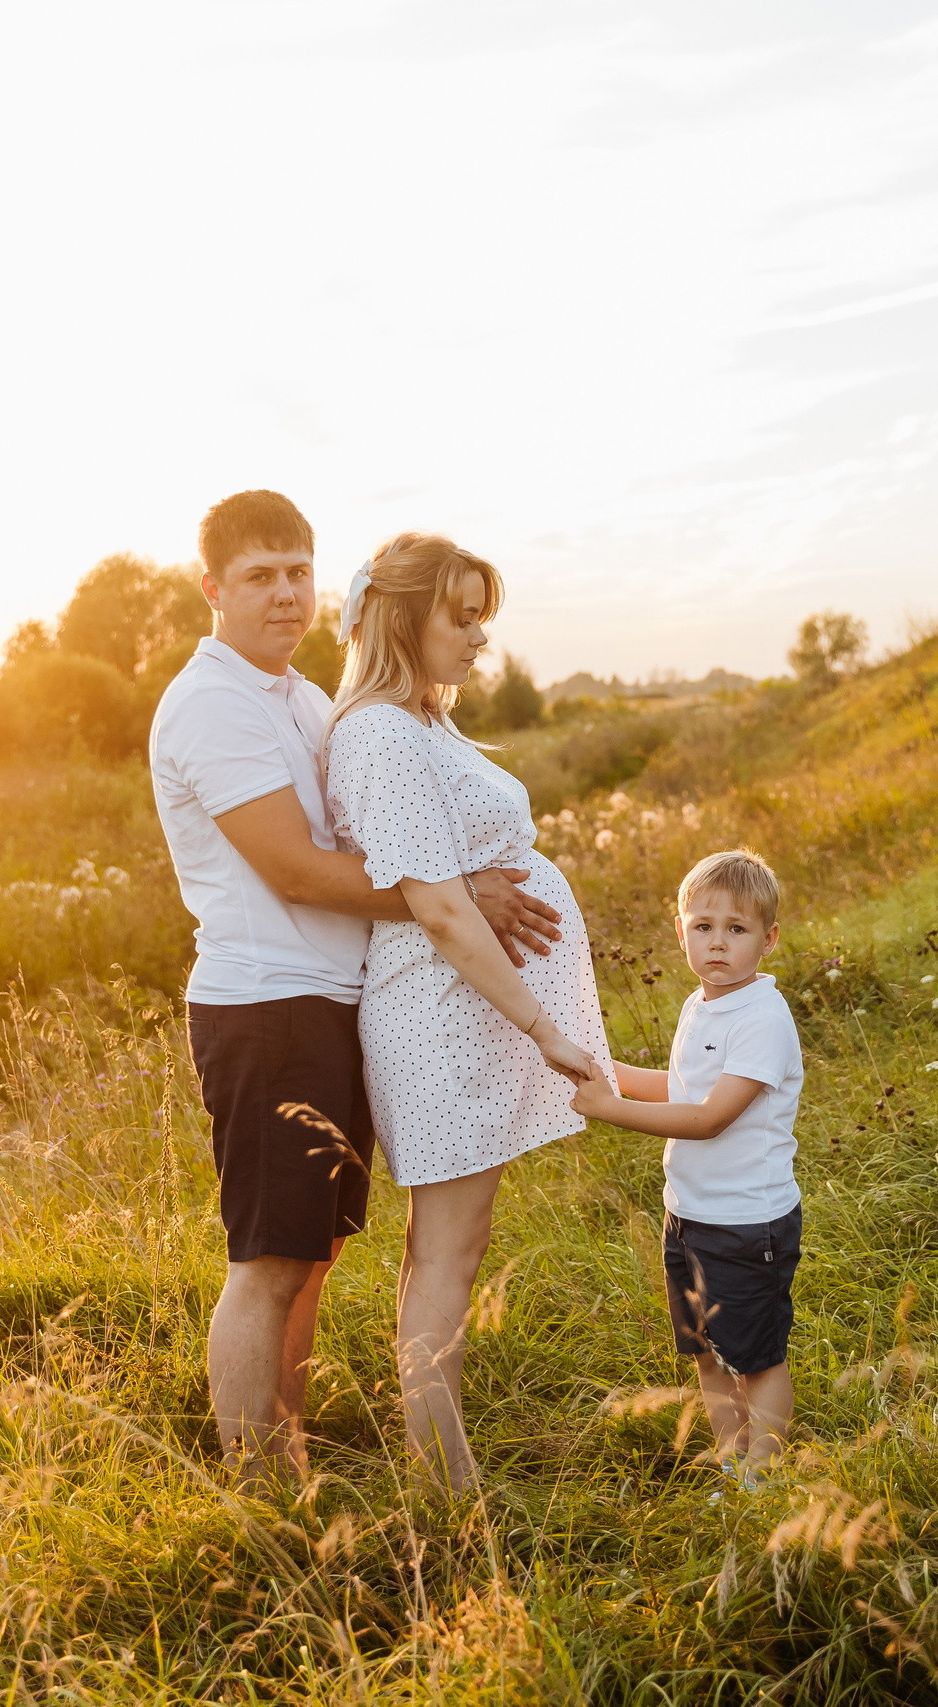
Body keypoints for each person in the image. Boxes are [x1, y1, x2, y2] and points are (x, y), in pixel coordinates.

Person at [147, 490, 564, 1486]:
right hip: (266, 1007)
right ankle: (258, 1494)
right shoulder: (210, 704)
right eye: (259, 577)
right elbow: (293, 869)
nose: (285, 594)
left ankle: (287, 1453)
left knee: (313, 1254)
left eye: (298, 570)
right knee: (267, 1262)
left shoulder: (295, 696)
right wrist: (454, 898)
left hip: (328, 1005)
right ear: (212, 589)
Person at [321, 532, 610, 1491]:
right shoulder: (379, 733)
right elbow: (439, 905)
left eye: (484, 616)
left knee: (451, 1243)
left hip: (462, 1017)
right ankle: (447, 1481)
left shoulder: (421, 723)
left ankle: (439, 1459)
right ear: (403, 617)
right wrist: (541, 1025)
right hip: (439, 1022)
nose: (480, 637)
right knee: (447, 1249)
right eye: (462, 616)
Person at [570, 849, 804, 1482]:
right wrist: (606, 1075)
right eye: (703, 927)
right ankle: (733, 1464)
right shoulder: (701, 1007)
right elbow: (682, 1089)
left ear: (768, 939)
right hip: (691, 1216)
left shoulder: (763, 1018)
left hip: (747, 1223)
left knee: (756, 1359)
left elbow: (708, 1118)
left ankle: (766, 1475)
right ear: (680, 931)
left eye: (737, 929)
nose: (718, 944)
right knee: (706, 1353)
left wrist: (608, 1110)